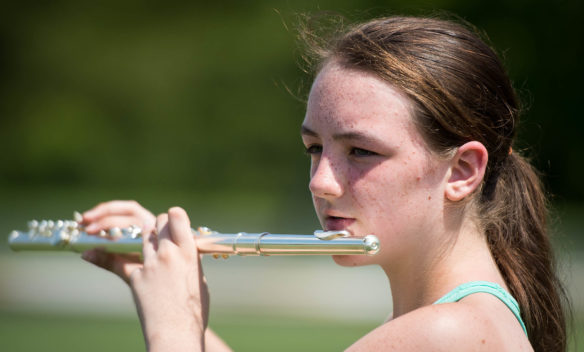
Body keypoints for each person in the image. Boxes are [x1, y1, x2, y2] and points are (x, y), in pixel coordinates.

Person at [80, 15, 568, 351]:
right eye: (315, 148)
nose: (321, 183)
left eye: (360, 152)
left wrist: (172, 327)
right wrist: (177, 296)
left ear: (462, 172)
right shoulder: (461, 321)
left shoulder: (447, 332)